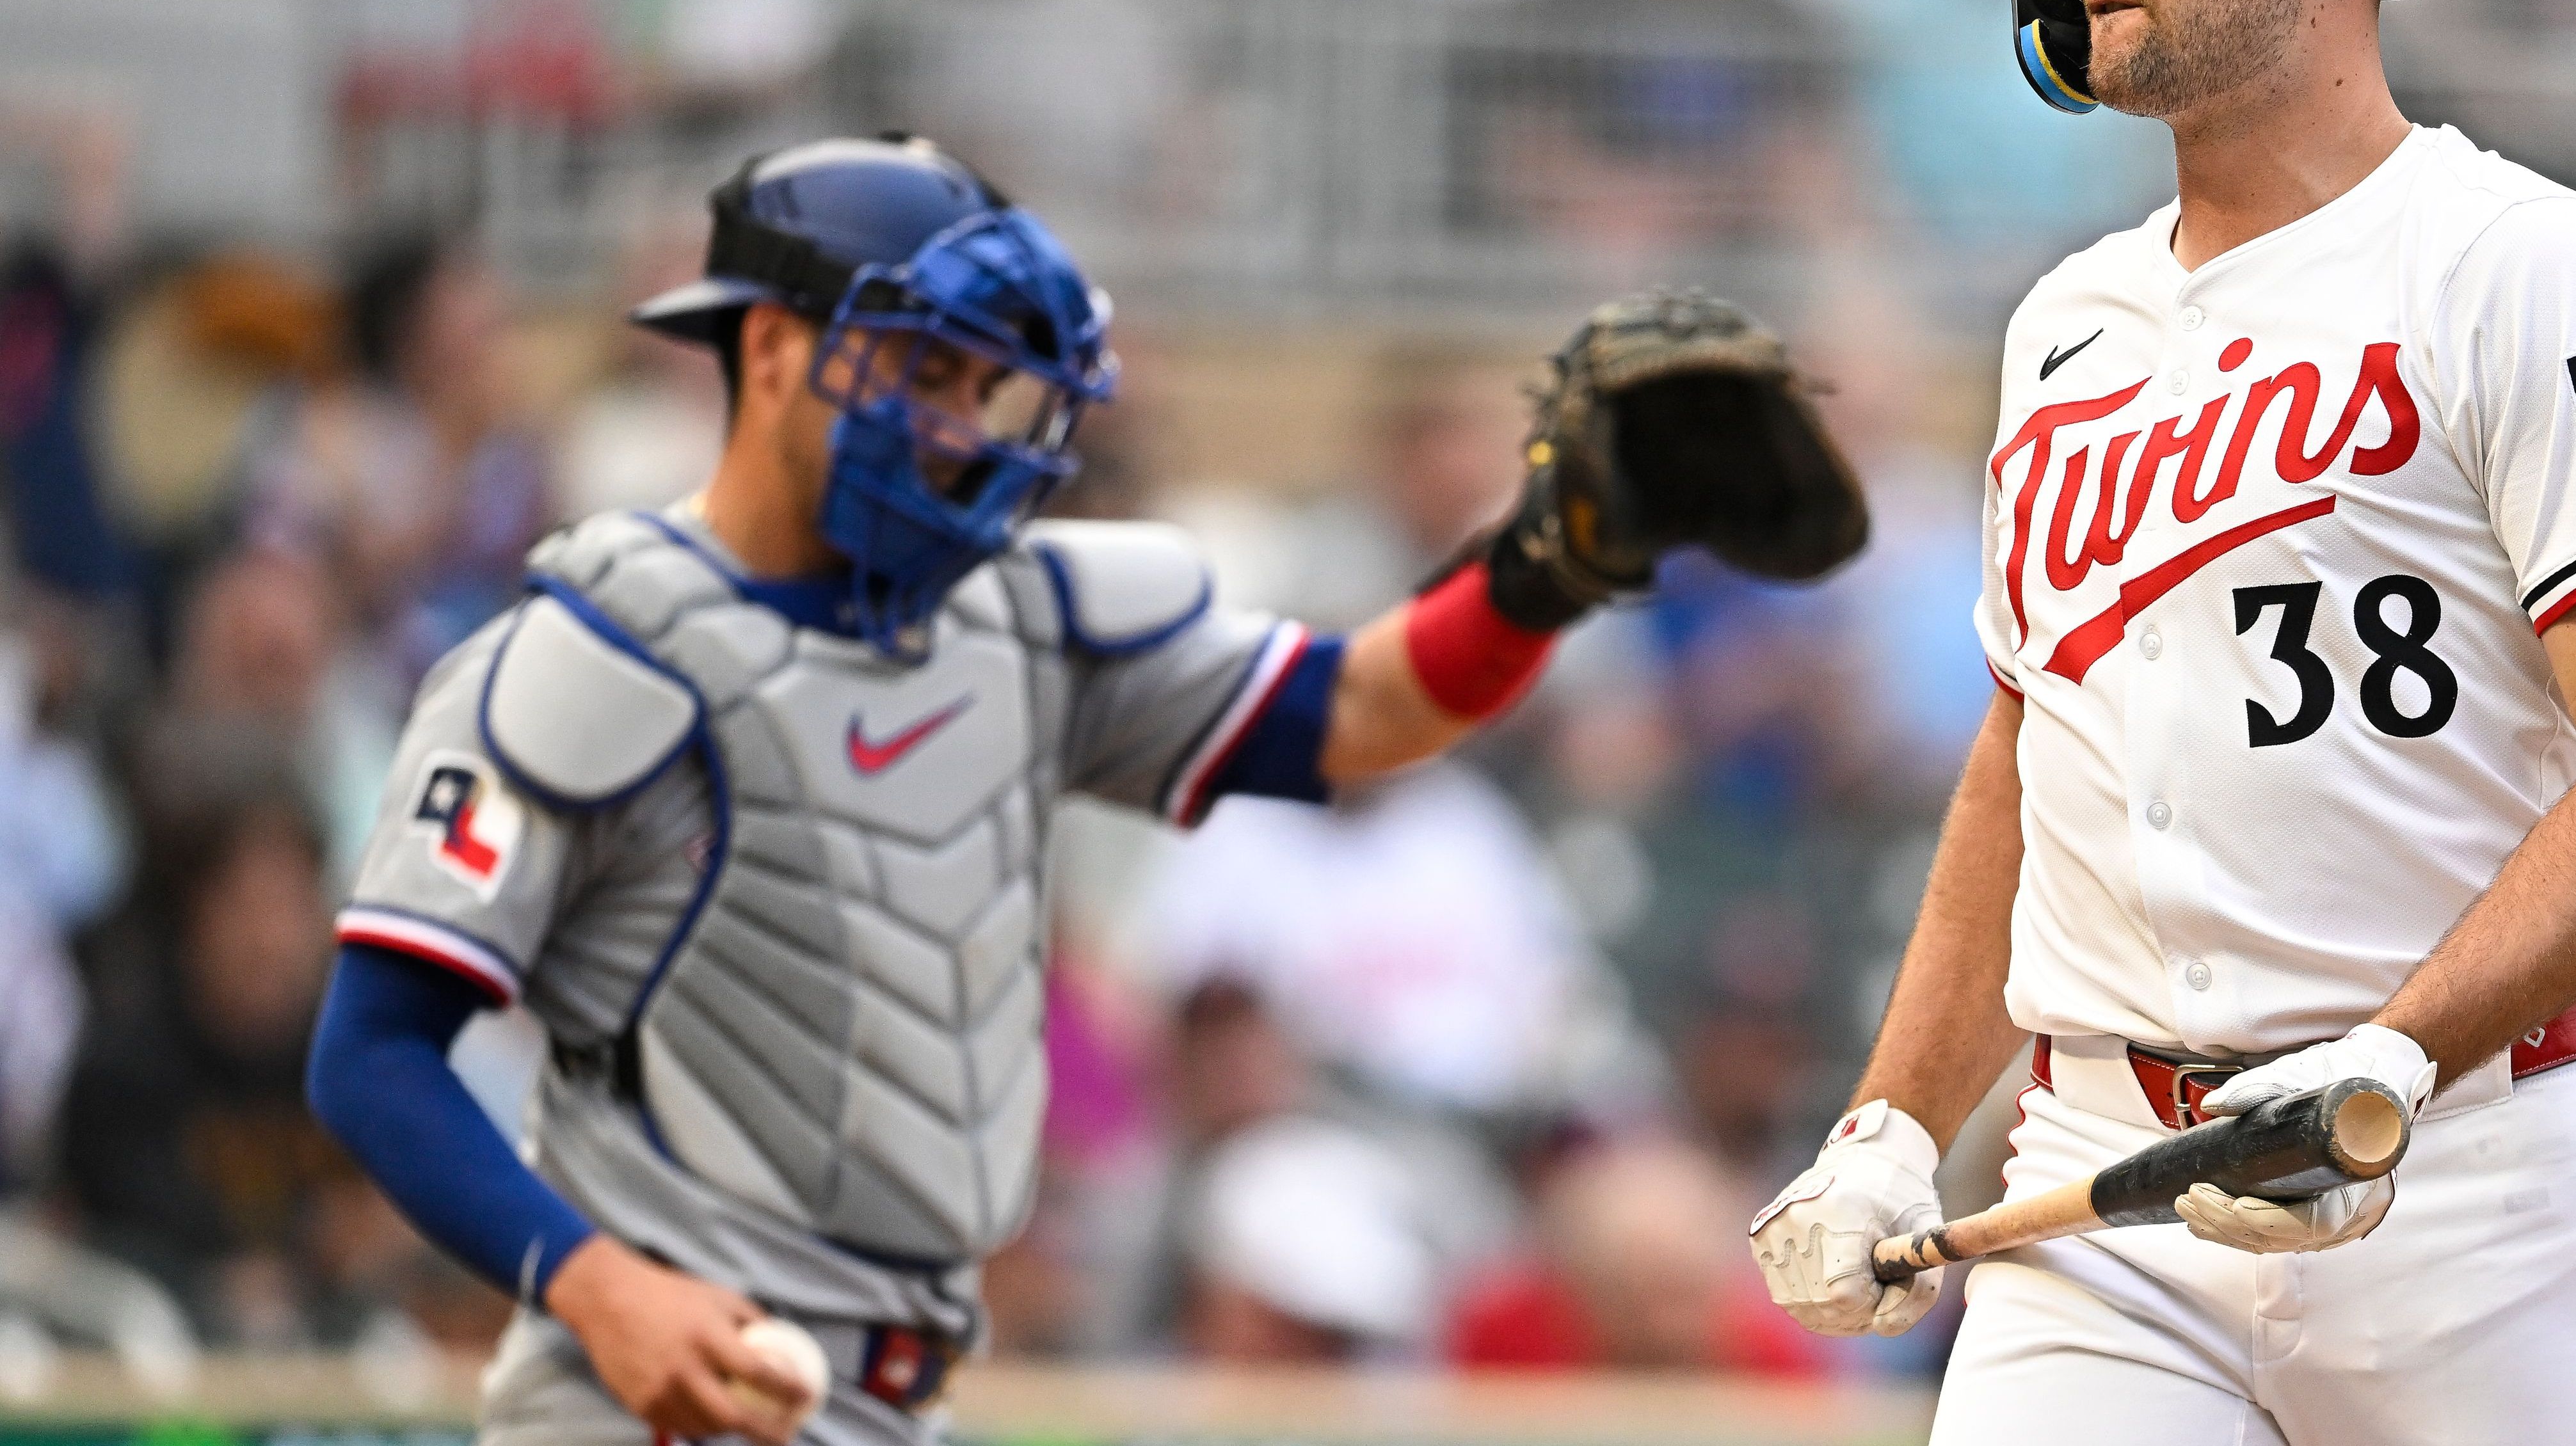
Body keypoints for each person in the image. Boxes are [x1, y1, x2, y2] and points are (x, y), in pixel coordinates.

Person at [300, 136, 1855, 1444]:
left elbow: (1363, 707)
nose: (962, 425)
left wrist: (1552, 556)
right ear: (768, 347)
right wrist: (590, 1282)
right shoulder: (587, 651)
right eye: (918, 369)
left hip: (901, 1388)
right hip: (647, 1389)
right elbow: (374, 1054)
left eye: (982, 383)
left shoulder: (1017, 614)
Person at [1746, 0, 2576, 1444]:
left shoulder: (2526, 266)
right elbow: (2028, 757)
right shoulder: (2064, 322)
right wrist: (1894, 1125)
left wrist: (2391, 1056)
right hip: (2110, 1187)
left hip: (2471, 1172)